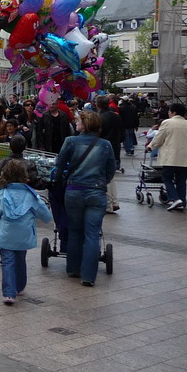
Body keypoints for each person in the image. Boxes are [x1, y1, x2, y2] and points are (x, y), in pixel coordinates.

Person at [53, 110, 115, 286]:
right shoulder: (105, 145)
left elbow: (59, 165)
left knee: (75, 231)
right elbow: (111, 169)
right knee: (92, 234)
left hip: (74, 191)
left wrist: (58, 182)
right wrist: (101, 182)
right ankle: (88, 276)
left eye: (78, 121)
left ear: (85, 124)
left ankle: (73, 268)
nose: (76, 123)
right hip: (96, 192)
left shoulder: (70, 142)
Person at [0, 159, 52, 305]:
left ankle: (9, 294)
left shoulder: (1, 195)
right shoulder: (31, 195)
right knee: (20, 259)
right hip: (24, 236)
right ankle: (20, 286)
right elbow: (46, 216)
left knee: (7, 262)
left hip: (6, 235)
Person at [149, 101, 187, 212]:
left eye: (170, 111)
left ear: (174, 112)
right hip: (185, 157)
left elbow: (158, 138)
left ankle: (175, 199)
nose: (169, 113)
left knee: (167, 177)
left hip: (171, 157)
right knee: (181, 180)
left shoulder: (167, 123)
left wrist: (150, 147)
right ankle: (182, 201)